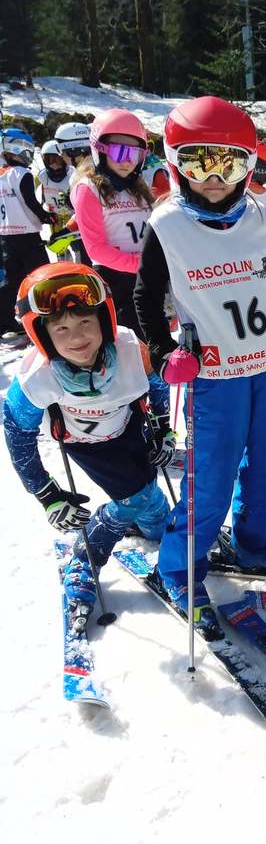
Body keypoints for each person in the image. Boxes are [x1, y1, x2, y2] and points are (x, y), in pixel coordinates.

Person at [134, 95, 266, 635]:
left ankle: (260, 540)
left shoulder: (259, 212)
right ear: (175, 163)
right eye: (198, 163)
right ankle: (180, 568)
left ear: (247, 166)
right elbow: (145, 295)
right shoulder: (167, 223)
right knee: (212, 476)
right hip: (214, 373)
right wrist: (163, 352)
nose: (213, 178)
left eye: (228, 164)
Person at [3, 263, 171, 631]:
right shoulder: (36, 378)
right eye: (61, 329)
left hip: (130, 427)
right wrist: (47, 495)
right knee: (136, 498)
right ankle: (85, 558)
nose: (77, 338)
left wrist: (163, 428)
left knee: (153, 508)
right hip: (86, 445)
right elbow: (17, 433)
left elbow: (157, 384)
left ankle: (152, 524)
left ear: (104, 320)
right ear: (42, 334)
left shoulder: (130, 349)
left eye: (84, 323)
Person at [70, 109, 153, 337]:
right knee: (133, 340)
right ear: (99, 150)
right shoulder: (88, 189)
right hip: (116, 279)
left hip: (146, 274)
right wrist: (141, 264)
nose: (127, 161)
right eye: (119, 152)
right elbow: (96, 249)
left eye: (135, 154)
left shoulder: (136, 186)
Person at [0, 130, 56, 338]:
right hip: (27, 236)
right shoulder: (22, 173)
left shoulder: (2, 174)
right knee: (42, 276)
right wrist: (45, 216)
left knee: (11, 281)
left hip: (6, 235)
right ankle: (46, 315)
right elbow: (29, 201)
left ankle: (5, 321)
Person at [35, 140, 75, 237]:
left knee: (74, 240)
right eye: (50, 161)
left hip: (71, 215)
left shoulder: (72, 175)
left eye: (58, 160)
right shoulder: (42, 177)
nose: (54, 165)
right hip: (55, 215)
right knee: (57, 240)